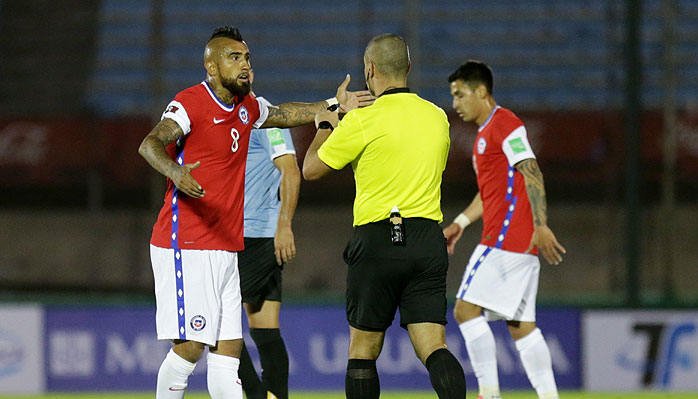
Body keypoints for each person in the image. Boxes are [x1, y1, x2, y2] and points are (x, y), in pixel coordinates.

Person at [138, 25, 374, 399]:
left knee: (228, 354)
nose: (245, 65)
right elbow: (150, 144)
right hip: (185, 244)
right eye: (234, 58)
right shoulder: (190, 103)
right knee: (189, 350)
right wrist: (175, 171)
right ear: (211, 67)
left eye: (247, 57)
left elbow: (286, 113)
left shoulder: (247, 108)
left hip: (225, 248)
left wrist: (333, 105)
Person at [302, 33, 467, 399]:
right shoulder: (438, 118)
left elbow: (311, 169)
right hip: (426, 239)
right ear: (408, 67)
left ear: (369, 69)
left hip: (377, 239)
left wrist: (328, 123)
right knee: (433, 347)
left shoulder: (362, 120)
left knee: (363, 352)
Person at [443, 60, 566, 399]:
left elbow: (532, 170)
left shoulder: (505, 124)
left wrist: (541, 224)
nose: (455, 104)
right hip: (517, 245)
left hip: (503, 240)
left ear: (481, 92)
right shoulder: (486, 134)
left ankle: (490, 394)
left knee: (465, 310)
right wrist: (460, 223)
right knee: (522, 328)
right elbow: (490, 193)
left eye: (460, 94)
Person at [237, 69, 300, 399]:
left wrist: (284, 226)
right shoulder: (231, 121)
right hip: (243, 237)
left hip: (257, 238)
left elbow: (290, 169)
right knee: (264, 328)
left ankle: (258, 396)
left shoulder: (263, 117)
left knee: (219, 326)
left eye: (247, 65)